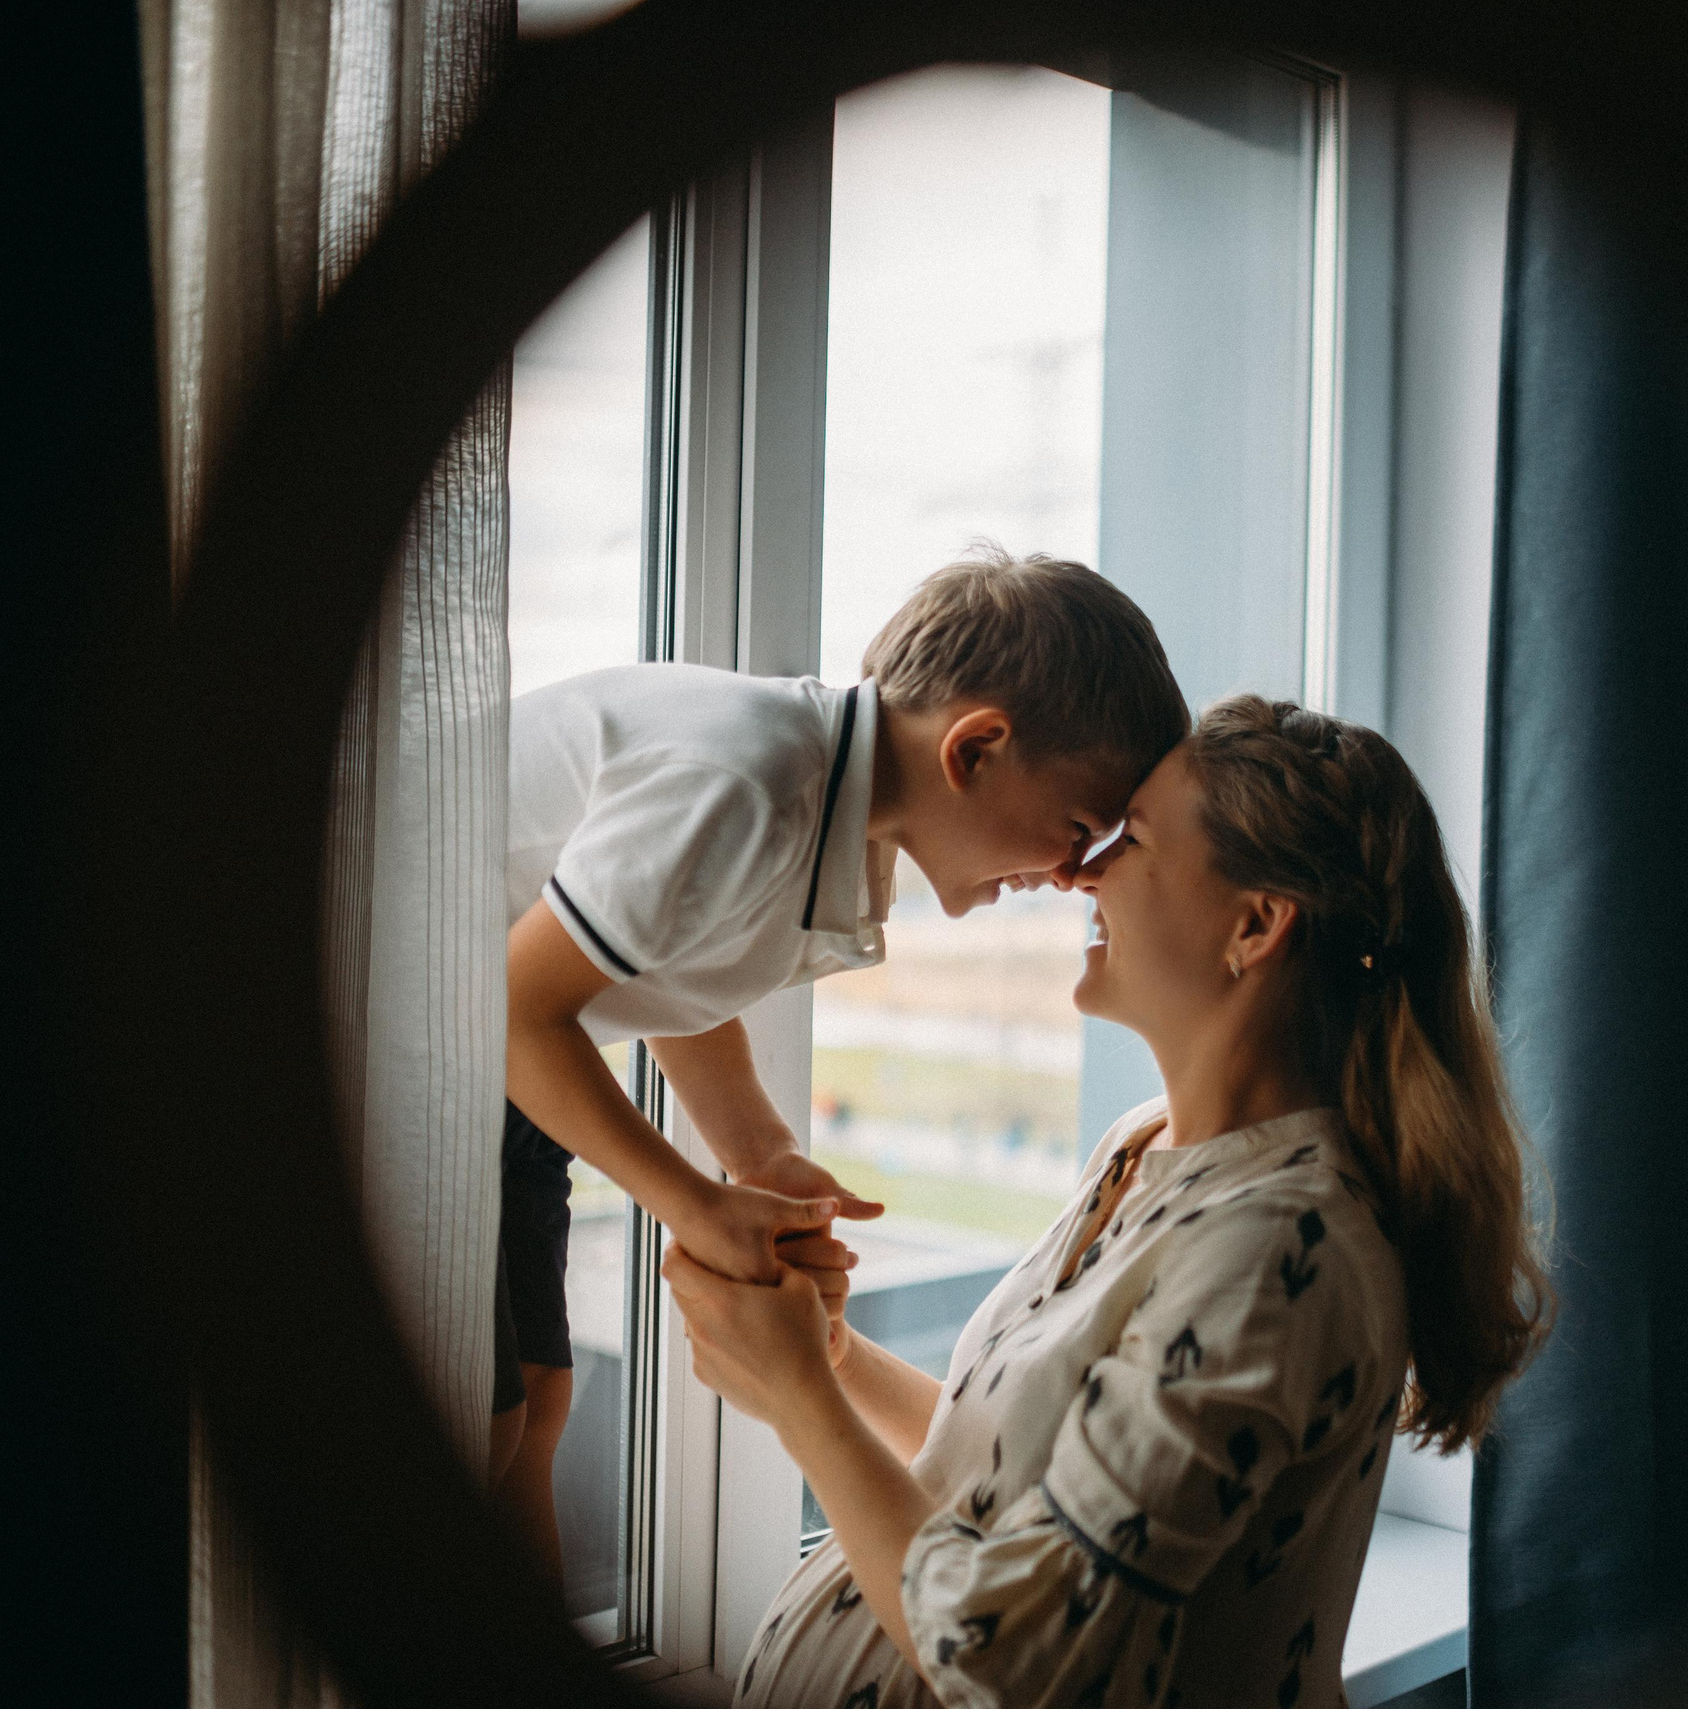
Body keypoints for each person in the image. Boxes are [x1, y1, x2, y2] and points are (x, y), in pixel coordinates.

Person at [665, 696, 1553, 1709]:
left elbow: (1022, 1662)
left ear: (1254, 925)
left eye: (1132, 841)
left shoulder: (1278, 1243)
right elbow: (1016, 1471)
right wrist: (830, 1356)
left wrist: (799, 1401)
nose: (1078, 870)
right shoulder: (1144, 1147)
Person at [491, 547, 1188, 1579]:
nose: (1069, 875)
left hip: (497, 1070)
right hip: (407, 1037)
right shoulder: (749, 778)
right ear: (976, 747)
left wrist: (758, 1150)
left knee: (538, 1400)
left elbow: (665, 966)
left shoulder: (821, 820)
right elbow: (507, 1002)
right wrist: (691, 1199)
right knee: (485, 1412)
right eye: (1078, 829)